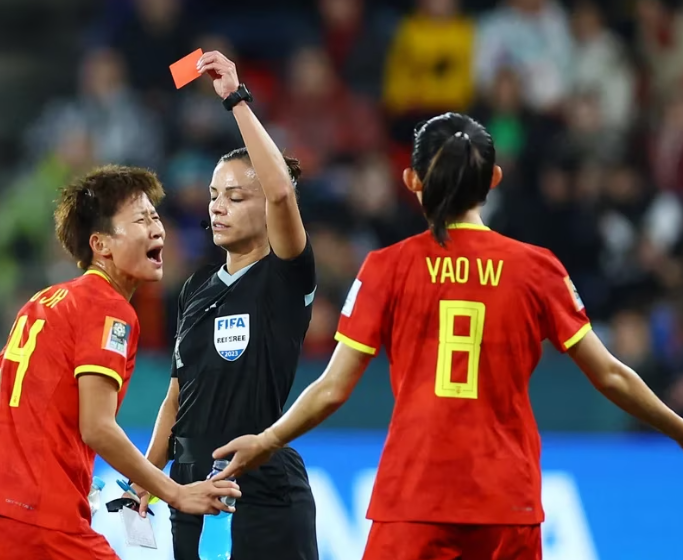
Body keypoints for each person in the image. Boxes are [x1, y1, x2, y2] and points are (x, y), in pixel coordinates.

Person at [213, 113, 683, 560]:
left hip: (414, 497)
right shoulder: (538, 269)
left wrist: (268, 440)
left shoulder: (387, 268)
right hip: (507, 500)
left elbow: (333, 388)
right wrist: (678, 430)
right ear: (493, 179)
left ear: (411, 181)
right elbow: (611, 376)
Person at [0, 165, 240, 560]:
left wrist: (37, 471)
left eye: (156, 217)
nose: (158, 229)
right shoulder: (108, 308)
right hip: (41, 520)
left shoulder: (42, 302)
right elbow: (97, 427)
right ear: (101, 245)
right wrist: (174, 493)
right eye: (141, 219)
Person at [130, 51, 318, 560]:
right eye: (214, 195)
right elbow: (176, 399)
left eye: (235, 196)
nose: (217, 206)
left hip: (259, 486)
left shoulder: (284, 275)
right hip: (189, 490)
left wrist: (235, 98)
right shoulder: (195, 290)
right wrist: (147, 480)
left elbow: (281, 193)